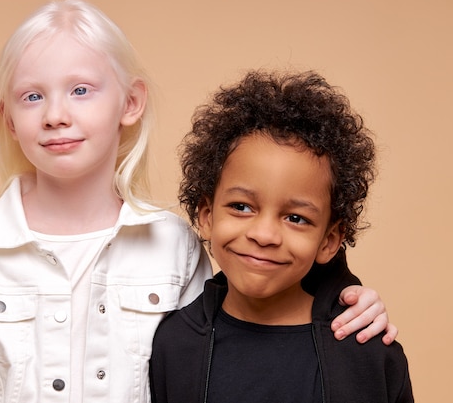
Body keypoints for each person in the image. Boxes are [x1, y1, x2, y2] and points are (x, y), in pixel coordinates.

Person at [0, 0, 397, 403]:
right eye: (32, 97)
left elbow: (246, 320)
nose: (55, 114)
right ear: (8, 118)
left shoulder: (175, 244)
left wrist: (344, 295)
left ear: (130, 103)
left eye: (81, 89)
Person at [150, 69, 413, 403]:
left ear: (329, 240)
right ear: (206, 216)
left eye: (295, 218)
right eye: (242, 207)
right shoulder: (173, 344)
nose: (264, 235)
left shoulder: (366, 353)